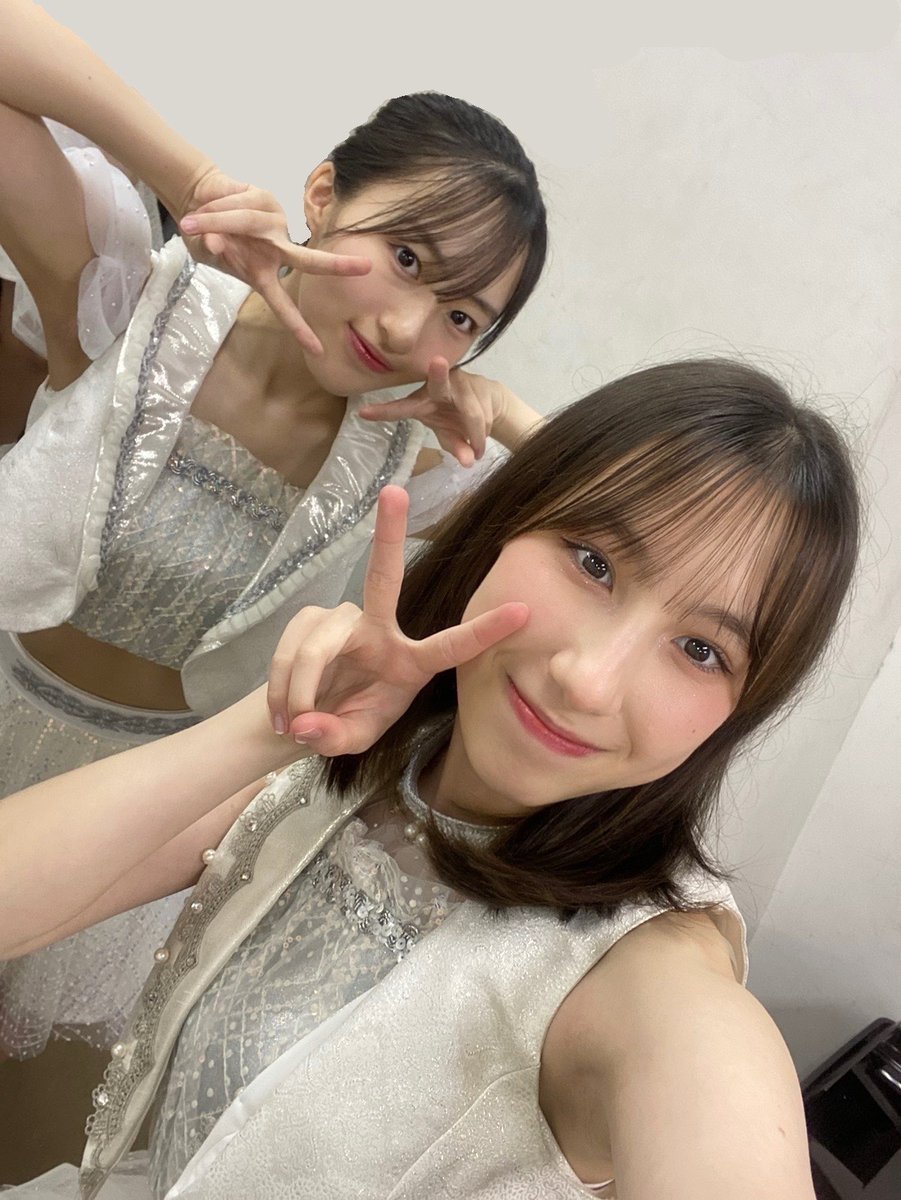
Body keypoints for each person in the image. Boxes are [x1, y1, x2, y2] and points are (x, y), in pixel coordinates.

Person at [0, 359, 859, 1199]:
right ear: (508, 522)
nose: (587, 681)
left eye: (701, 650)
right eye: (593, 563)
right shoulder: (384, 761)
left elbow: (711, 1088)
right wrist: (269, 731)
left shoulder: (645, 977)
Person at [0, 0, 548, 1057]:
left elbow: (630, 517)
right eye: (407, 255)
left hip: (137, 820)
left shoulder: (411, 467)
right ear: (323, 194)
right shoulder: (133, 306)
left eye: (461, 317)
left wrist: (514, 414)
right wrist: (195, 179)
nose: (406, 326)